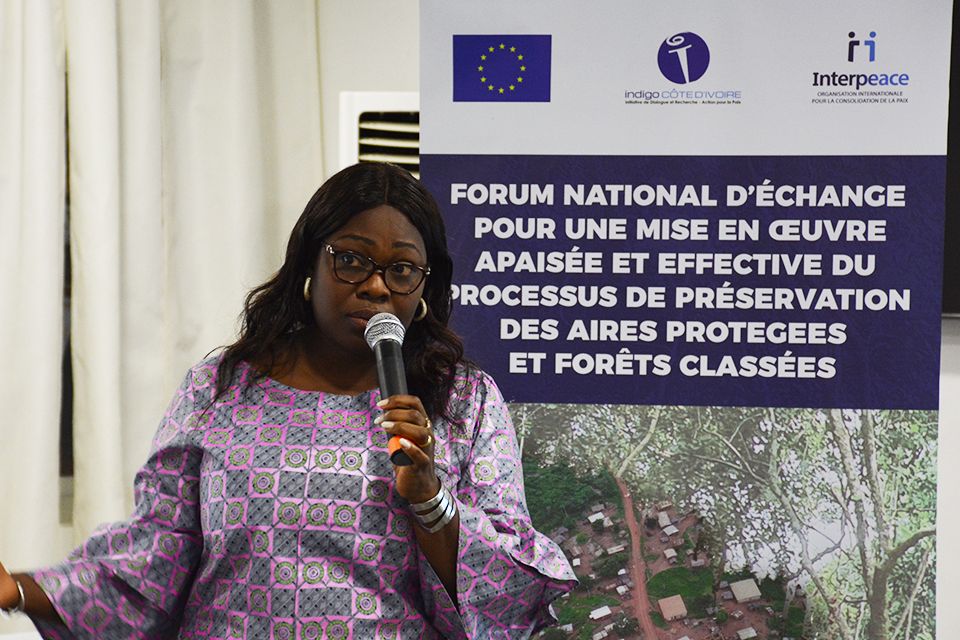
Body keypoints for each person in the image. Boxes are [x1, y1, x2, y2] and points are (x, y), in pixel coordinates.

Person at [0, 162, 577, 639]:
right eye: (352, 260)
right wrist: (22, 590)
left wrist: (430, 498)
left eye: (401, 269)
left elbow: (506, 588)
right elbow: (158, 556)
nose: (376, 286)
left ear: (424, 285)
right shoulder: (222, 387)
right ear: (309, 261)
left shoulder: (462, 402)